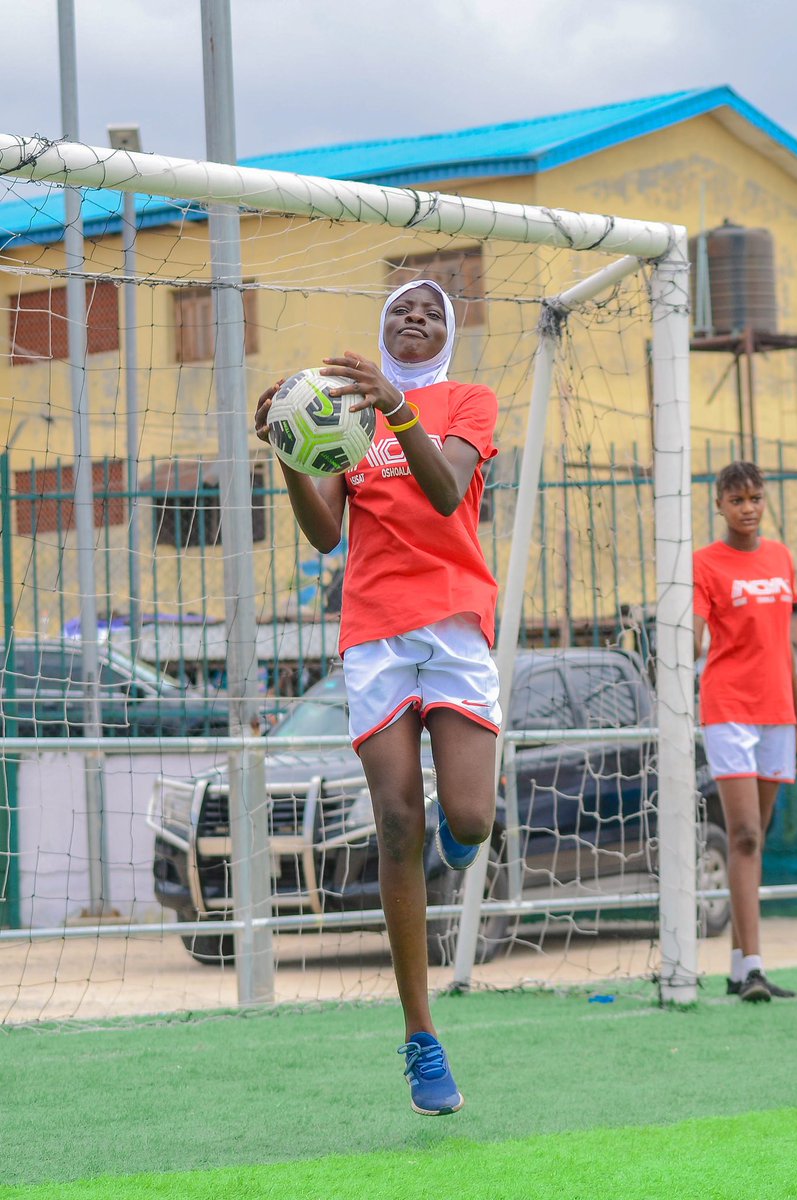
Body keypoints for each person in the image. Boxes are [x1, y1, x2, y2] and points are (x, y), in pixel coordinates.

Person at [255, 280, 500, 1113]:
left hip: (456, 622)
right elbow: (325, 534)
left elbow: (443, 492)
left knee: (466, 819)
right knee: (398, 821)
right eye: (401, 308)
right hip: (374, 632)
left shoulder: (469, 400)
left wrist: (397, 406)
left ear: (449, 330)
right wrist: (289, 448)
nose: (415, 316)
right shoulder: (341, 415)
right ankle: (419, 1035)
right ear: (382, 326)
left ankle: (462, 847)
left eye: (431, 309)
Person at [693, 460, 797, 1002]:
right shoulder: (703, 564)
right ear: (719, 504)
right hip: (728, 709)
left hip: (778, 714)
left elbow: (784, 645)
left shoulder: (783, 559)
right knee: (742, 836)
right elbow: (692, 637)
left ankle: (741, 969)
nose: (748, 508)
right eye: (737, 500)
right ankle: (755, 967)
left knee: (754, 841)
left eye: (756, 499)